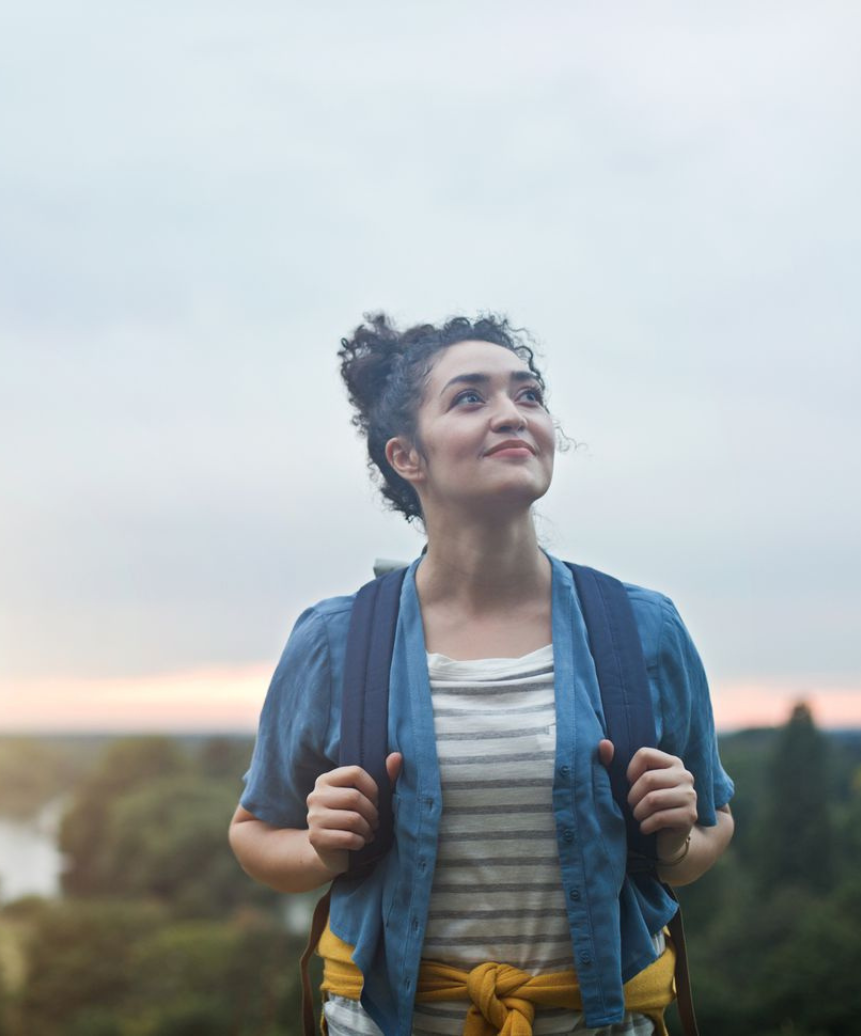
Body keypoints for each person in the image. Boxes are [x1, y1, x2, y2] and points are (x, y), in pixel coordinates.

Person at [228, 313, 735, 1036]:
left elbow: (708, 836)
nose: (512, 414)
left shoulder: (645, 630)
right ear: (407, 456)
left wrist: (681, 838)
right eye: (471, 398)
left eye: (527, 395)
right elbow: (253, 833)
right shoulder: (336, 641)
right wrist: (315, 848)